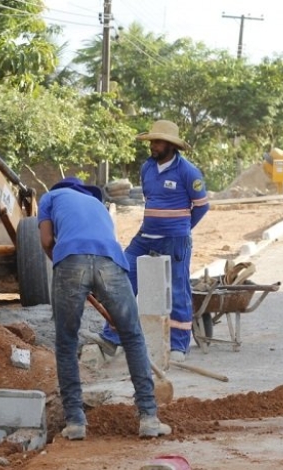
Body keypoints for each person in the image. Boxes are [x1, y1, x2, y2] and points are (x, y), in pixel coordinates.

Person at [38, 176, 172, 440]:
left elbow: (45, 240)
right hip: (110, 261)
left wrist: (65, 266)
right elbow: (99, 247)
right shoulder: (97, 204)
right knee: (132, 336)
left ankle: (75, 422)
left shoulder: (50, 198)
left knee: (66, 343)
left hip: (70, 260)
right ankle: (149, 419)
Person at [95, 120, 209, 363]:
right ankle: (113, 337)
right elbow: (150, 199)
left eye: (157, 142)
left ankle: (178, 346)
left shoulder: (188, 172)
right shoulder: (147, 168)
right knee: (122, 276)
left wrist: (182, 228)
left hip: (175, 240)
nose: (153, 146)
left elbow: (201, 206)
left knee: (178, 289)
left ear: (170, 145)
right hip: (145, 237)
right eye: (151, 142)